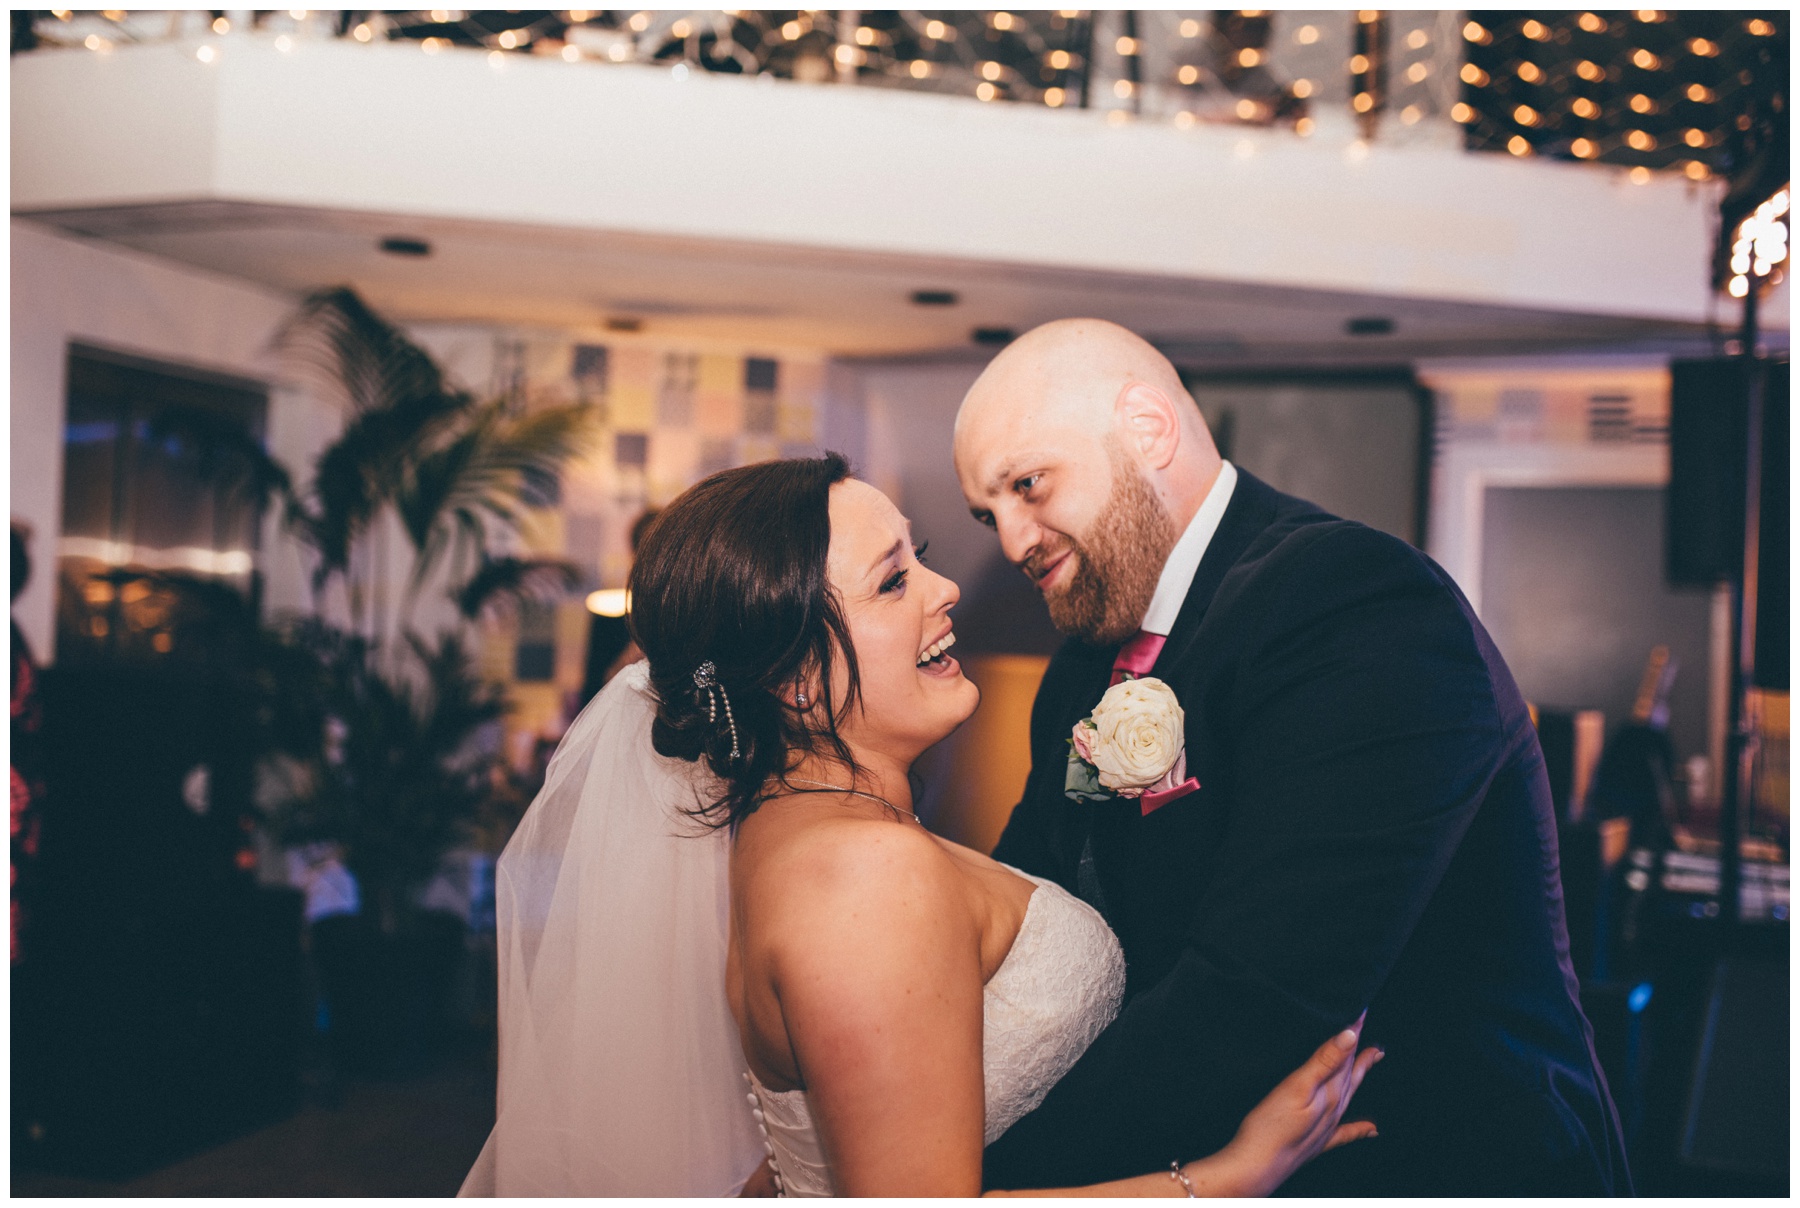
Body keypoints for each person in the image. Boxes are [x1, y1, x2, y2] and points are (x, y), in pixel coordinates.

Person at [461, 455, 1380, 1197]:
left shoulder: (798, 836)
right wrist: (1223, 1180)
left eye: (922, 555)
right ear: (797, 681)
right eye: (895, 581)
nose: (945, 589)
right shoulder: (860, 874)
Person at [951, 319, 1631, 1196]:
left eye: (1028, 484)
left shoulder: (1358, 602)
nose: (1012, 540)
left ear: (1148, 429)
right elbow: (1026, 910)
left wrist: (981, 1184)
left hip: (1435, 1161)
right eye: (988, 512)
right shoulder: (1082, 668)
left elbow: (1257, 999)